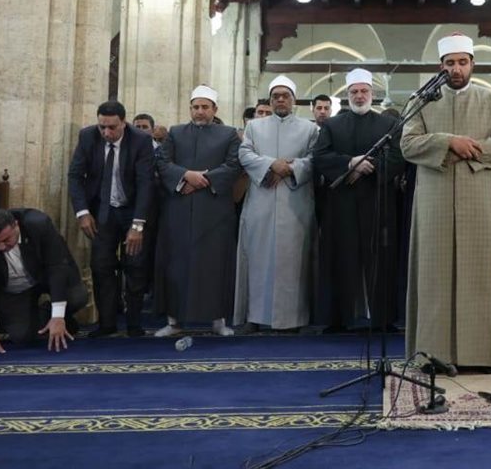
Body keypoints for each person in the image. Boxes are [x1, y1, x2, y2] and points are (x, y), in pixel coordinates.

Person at [402, 33, 491, 372]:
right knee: (433, 276)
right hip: (434, 198)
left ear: (472, 64)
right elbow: (408, 144)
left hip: (478, 196)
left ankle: (483, 355)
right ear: (441, 66)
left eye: (462, 62)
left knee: (479, 275)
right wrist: (448, 142)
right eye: (450, 63)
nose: (456, 69)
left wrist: (469, 151)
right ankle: (432, 355)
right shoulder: (420, 101)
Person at [313, 68, 404, 331]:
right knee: (340, 258)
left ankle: (383, 320)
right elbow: (320, 157)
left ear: (372, 94)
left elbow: (398, 157)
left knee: (381, 261)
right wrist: (349, 163)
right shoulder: (332, 125)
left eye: (364, 91)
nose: (359, 96)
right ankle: (338, 320)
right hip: (341, 205)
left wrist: (366, 168)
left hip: (378, 201)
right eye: (354, 92)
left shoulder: (388, 125)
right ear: (347, 94)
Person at [154, 85, 242, 337]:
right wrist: (185, 175)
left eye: (205, 107)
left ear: (215, 109)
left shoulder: (228, 135)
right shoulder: (175, 132)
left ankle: (218, 321)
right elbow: (162, 161)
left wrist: (203, 180)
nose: (200, 112)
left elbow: (233, 165)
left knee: (214, 265)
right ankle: (173, 322)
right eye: (196, 107)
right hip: (179, 209)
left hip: (214, 212)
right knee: (175, 265)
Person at [67, 101, 156, 337]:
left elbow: (146, 184)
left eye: (112, 127)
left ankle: (134, 324)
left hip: (133, 210)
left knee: (135, 266)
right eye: (102, 127)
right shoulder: (88, 137)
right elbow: (75, 176)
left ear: (123, 123)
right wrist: (82, 212)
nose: (106, 132)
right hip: (102, 210)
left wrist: (138, 225)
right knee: (101, 265)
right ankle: (107, 324)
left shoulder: (141, 141)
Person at [236, 76, 318, 331]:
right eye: (276, 96)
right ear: (270, 101)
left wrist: (290, 168)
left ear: (294, 100)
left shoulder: (310, 129)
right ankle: (256, 317)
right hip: (261, 201)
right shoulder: (254, 127)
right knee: (257, 259)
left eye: (285, 96)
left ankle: (293, 320)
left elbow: (315, 158)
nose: (280, 99)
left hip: (296, 204)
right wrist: (271, 164)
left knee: (293, 262)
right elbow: (244, 154)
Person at [0, 208, 87, 355]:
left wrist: (57, 316)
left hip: (44, 276)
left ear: (16, 225)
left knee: (77, 297)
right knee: (21, 335)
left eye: (6, 240)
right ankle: (46, 319)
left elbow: (56, 267)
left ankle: (55, 317)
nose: (2, 247)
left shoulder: (39, 224)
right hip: (14, 290)